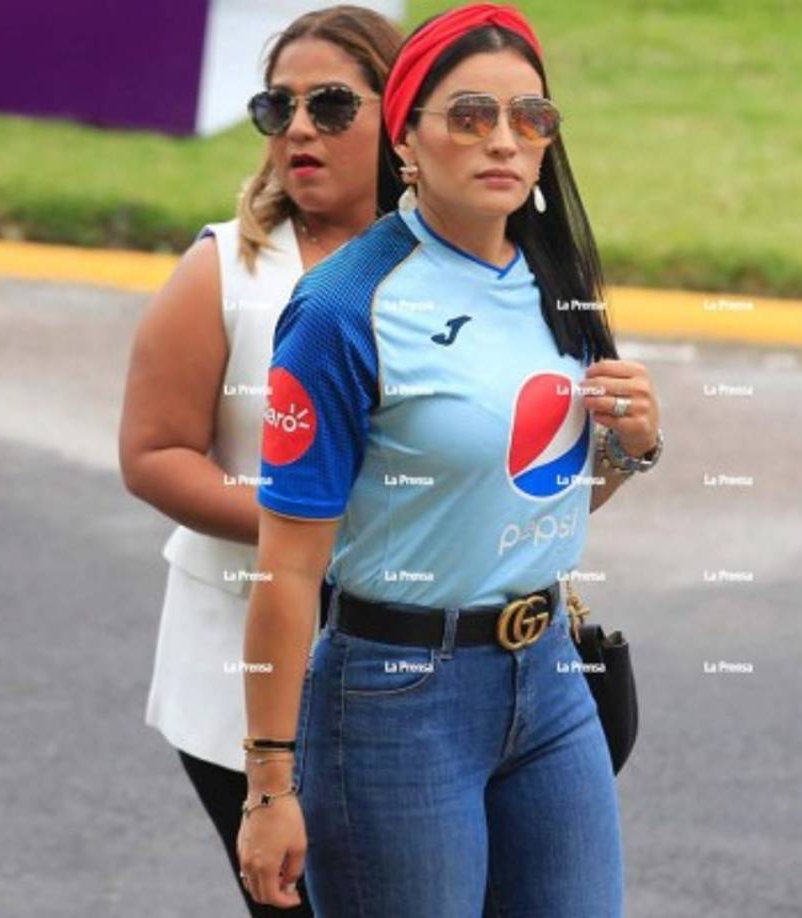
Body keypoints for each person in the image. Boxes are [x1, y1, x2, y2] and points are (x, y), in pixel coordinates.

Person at [236, 3, 664, 915]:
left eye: (529, 117)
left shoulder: (555, 281)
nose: (504, 140)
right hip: (394, 699)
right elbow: (287, 568)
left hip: (549, 674)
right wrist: (269, 784)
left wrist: (632, 451)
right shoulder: (341, 309)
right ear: (406, 139)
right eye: (470, 116)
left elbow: (525, 496)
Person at [118, 7, 402, 915]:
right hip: (236, 674)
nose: (300, 129)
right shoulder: (224, 270)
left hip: (418, 669)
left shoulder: (456, 261)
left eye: (332, 104)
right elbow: (154, 453)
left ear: (403, 113)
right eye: (277, 108)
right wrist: (306, 526)